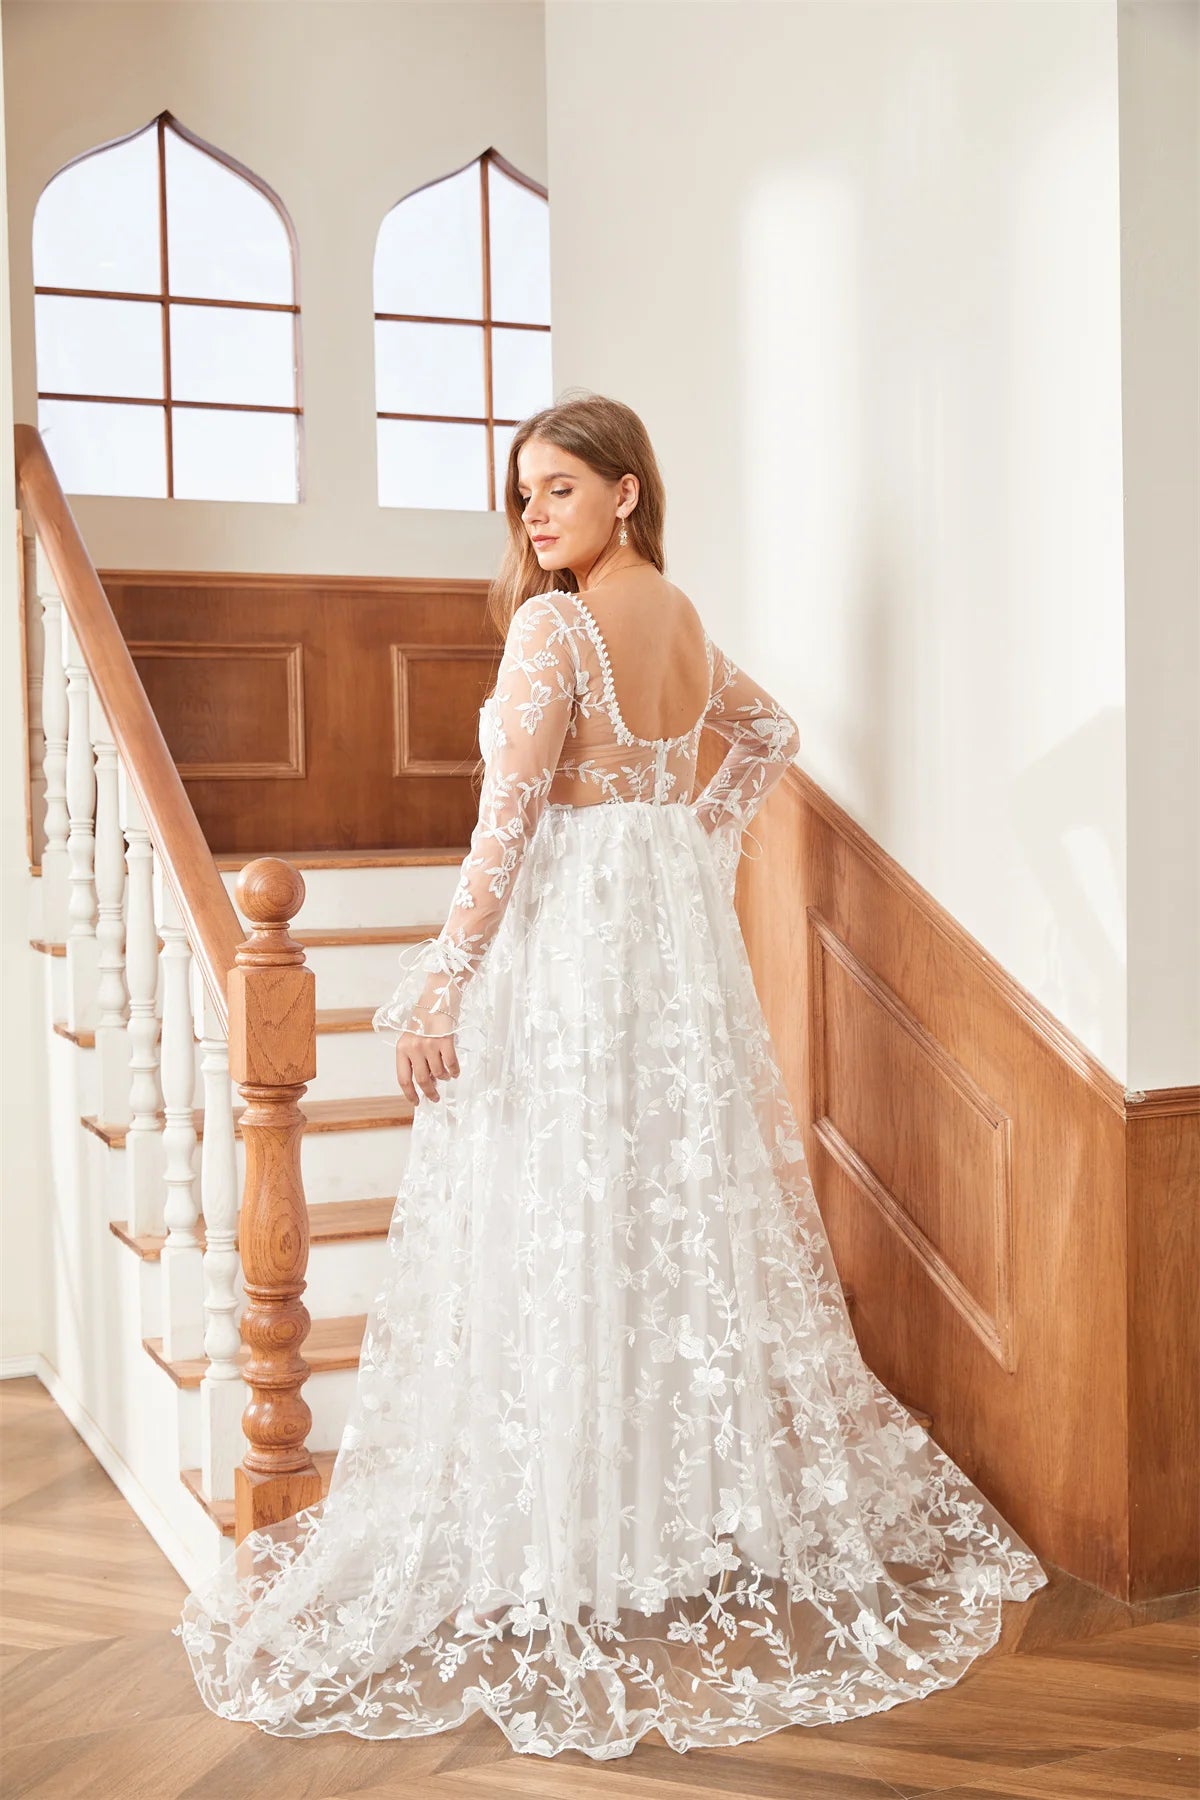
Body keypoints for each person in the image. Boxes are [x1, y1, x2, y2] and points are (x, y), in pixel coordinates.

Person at [175, 393, 1048, 1760]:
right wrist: (690, 842)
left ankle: (572, 1537)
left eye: (559, 489)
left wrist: (446, 977)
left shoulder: (555, 627)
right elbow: (769, 736)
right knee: (648, 1217)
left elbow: (508, 821)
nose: (534, 515)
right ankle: (661, 1521)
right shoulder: (684, 620)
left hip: (572, 948)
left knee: (559, 1212)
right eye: (522, 495)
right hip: (667, 951)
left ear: (626, 490)